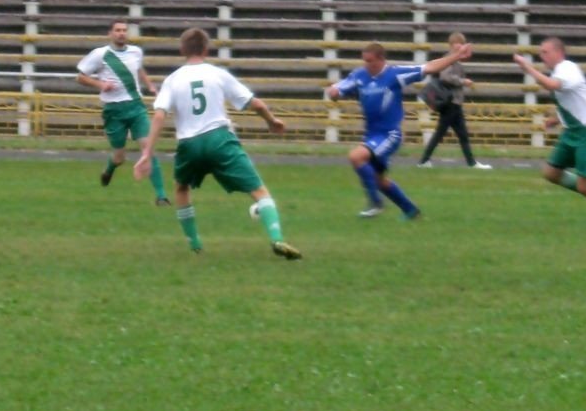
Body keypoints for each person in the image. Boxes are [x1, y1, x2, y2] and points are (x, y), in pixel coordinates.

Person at [134, 27, 301, 259]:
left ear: (182, 50)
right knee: (259, 191)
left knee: (182, 188)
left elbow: (160, 115)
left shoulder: (172, 80)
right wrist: (271, 121)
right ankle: (277, 239)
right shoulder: (217, 74)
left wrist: (146, 153)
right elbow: (256, 104)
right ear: (206, 49)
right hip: (219, 139)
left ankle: (195, 244)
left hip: (189, 144)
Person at [326, 40, 474, 219]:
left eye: (369, 61)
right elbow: (338, 89)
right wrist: (333, 92)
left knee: (356, 156)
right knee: (379, 180)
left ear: (381, 59)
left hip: (390, 134)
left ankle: (376, 203)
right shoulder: (360, 76)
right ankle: (411, 210)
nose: (366, 64)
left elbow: (430, 67)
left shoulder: (394, 74)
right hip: (372, 134)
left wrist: (456, 56)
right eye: (364, 60)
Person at [513, 37, 586, 221]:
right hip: (571, 132)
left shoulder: (568, 68)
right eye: (540, 52)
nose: (542, 56)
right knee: (551, 173)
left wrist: (527, 67)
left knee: (585, 187)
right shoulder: (559, 71)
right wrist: (556, 119)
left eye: (545, 52)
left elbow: (552, 85)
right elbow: (573, 102)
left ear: (559, 53)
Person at [77, 19, 169, 206]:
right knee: (120, 157)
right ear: (110, 33)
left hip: (136, 107)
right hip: (113, 111)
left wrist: (149, 84)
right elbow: (80, 77)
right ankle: (110, 168)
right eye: (118, 30)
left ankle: (161, 196)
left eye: (124, 30)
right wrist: (101, 84)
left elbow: (139, 70)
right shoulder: (101, 54)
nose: (121, 33)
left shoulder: (136, 52)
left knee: (147, 150)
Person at [416, 32, 492, 170]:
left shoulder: (455, 61)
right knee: (442, 134)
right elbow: (446, 77)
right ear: (451, 46)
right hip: (450, 103)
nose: (460, 48)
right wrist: (463, 81)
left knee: (460, 135)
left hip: (455, 103)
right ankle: (424, 161)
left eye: (461, 44)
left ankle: (471, 163)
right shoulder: (449, 60)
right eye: (457, 45)